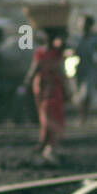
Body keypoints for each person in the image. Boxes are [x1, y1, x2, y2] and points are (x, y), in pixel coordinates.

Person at [25, 30, 67, 160]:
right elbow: (35, 69)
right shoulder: (42, 53)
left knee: (49, 113)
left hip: (52, 87)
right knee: (45, 114)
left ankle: (48, 142)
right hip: (43, 87)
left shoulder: (57, 52)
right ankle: (46, 142)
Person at [71, 15, 97, 122]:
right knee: (78, 95)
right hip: (77, 69)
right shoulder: (75, 38)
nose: (82, 25)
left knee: (86, 94)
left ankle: (84, 117)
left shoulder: (95, 39)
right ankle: (81, 116)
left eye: (84, 23)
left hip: (90, 69)